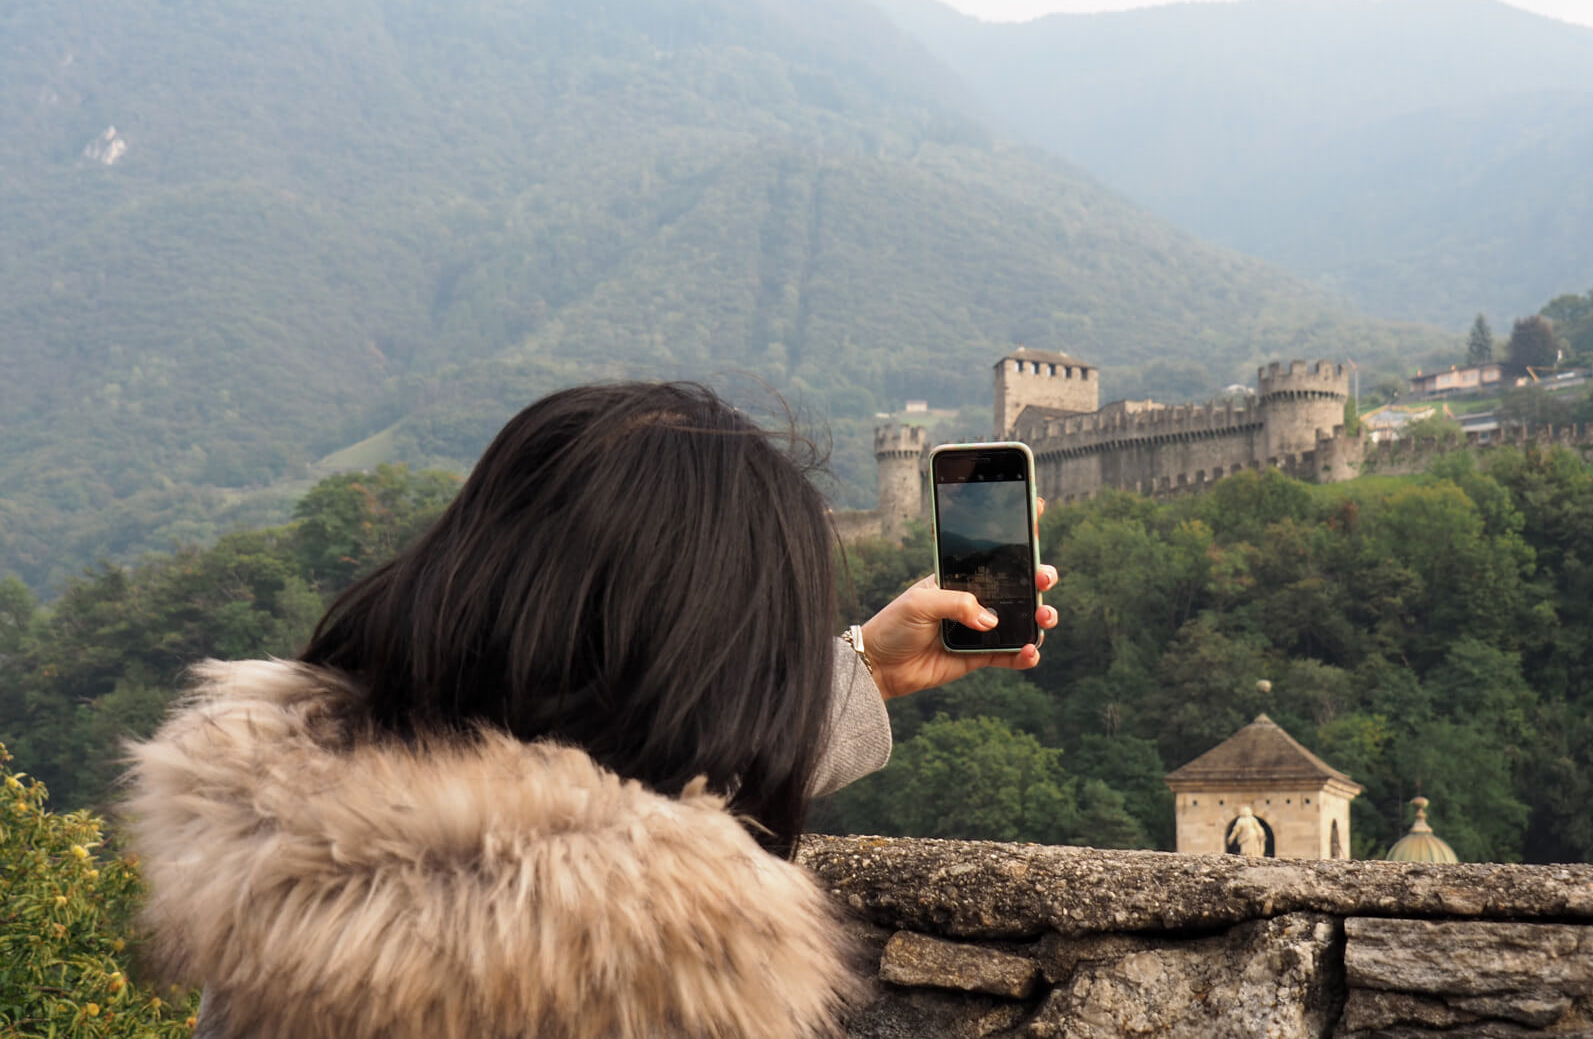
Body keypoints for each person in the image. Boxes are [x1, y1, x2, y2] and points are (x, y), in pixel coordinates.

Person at [125, 382, 1059, 1039]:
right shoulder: (657, 973)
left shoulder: (289, 870)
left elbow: (591, 778)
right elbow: (638, 803)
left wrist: (862, 665)